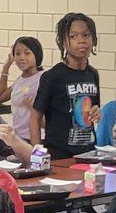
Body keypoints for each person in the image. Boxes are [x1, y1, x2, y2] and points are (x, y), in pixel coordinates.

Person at [30, 12, 100, 159]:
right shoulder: (52, 76)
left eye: (86, 35)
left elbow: (93, 108)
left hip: (88, 151)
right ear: (63, 42)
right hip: (59, 154)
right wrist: (37, 154)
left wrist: (96, 112)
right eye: (73, 36)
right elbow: (35, 118)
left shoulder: (93, 74)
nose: (81, 41)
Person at [0, 35, 43, 145]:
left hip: (36, 138)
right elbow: (1, 97)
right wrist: (6, 68)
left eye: (27, 53)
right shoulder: (20, 80)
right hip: (19, 137)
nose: (21, 57)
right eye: (17, 53)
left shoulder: (43, 78)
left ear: (36, 55)